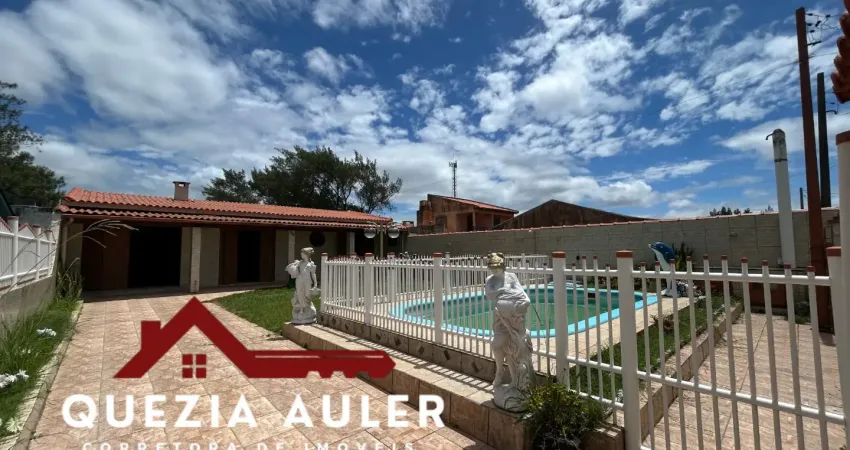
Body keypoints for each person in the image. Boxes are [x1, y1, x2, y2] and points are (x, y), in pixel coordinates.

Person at [286, 247, 318, 324]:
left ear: (307, 254)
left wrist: (315, 284)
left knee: (307, 295)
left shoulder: (311, 264)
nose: (301, 255)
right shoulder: (300, 263)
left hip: (307, 281)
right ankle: (301, 309)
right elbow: (295, 270)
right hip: (299, 280)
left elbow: (313, 274)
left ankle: (307, 309)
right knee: (300, 294)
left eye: (302, 253)